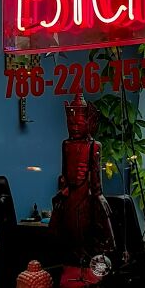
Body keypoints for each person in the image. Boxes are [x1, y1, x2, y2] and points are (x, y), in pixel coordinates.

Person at [48, 92, 115, 263]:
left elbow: (96, 177)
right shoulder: (66, 145)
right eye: (71, 123)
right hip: (70, 193)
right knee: (68, 231)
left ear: (89, 123)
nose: (74, 127)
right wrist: (63, 189)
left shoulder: (94, 146)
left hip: (87, 193)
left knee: (87, 230)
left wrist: (98, 196)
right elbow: (64, 173)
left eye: (78, 123)